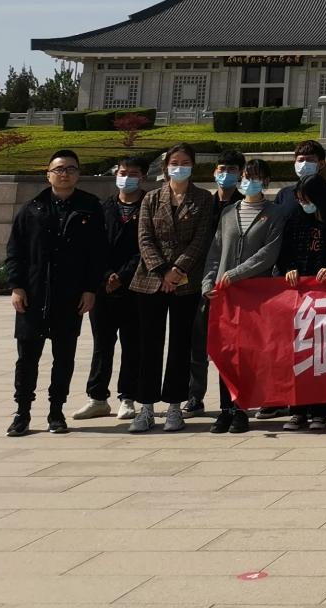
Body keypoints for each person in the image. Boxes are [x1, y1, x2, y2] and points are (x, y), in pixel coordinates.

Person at [4, 148, 105, 436]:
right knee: (27, 358)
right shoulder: (32, 209)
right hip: (33, 294)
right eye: (59, 169)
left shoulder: (90, 207)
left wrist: (90, 289)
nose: (65, 174)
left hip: (70, 295)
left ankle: (56, 411)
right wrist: (16, 286)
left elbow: (97, 253)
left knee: (64, 357)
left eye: (71, 169)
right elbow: (15, 251)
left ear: (78, 174)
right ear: (48, 174)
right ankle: (22, 412)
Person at [129, 143, 218, 433]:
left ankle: (175, 406)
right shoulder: (152, 198)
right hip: (151, 280)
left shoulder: (203, 198)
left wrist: (178, 270)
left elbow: (202, 239)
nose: (179, 167)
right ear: (166, 166)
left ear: (193, 166)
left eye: (185, 162)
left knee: (181, 346)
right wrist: (162, 270)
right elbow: (144, 237)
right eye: (174, 162)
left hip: (185, 282)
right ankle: (145, 407)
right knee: (148, 345)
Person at [203, 159, 284, 434]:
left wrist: (236, 274)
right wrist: (207, 282)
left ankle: (241, 409)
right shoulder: (229, 212)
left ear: (266, 182)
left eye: (257, 178)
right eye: (247, 177)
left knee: (248, 355)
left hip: (254, 295)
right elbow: (216, 251)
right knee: (225, 353)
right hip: (225, 295)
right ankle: (225, 409)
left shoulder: (275, 214)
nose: (250, 182)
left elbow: (268, 254)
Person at [278, 173, 326, 430]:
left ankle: (320, 411)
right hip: (300, 295)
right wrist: (289, 268)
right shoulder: (296, 220)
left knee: (324, 354)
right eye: (300, 199)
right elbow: (284, 253)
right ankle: (297, 410)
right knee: (299, 353)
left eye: (307, 199)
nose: (303, 204)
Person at [73, 154, 146, 422]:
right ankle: (97, 397)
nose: (127, 178)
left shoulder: (149, 206)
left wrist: (123, 275)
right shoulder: (102, 207)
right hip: (103, 287)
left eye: (133, 173)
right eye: (123, 173)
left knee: (132, 344)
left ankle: (128, 397)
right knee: (102, 344)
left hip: (135, 286)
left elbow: (147, 246)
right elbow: (92, 246)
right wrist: (106, 275)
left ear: (143, 177)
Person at [185, 147, 247, 415]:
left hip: (233, 284)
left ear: (241, 174)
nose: (226, 174)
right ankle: (194, 394)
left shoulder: (245, 204)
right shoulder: (204, 204)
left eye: (232, 170)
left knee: (234, 346)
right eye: (222, 169)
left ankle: (235, 396)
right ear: (214, 172)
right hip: (202, 281)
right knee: (197, 343)